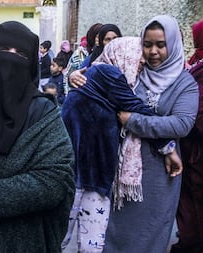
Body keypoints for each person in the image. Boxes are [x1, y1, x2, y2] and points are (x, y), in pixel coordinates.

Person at [0, 21, 75, 253]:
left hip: (21, 241)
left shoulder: (41, 112)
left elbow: (57, 178)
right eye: (3, 50)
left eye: (20, 54)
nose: (10, 59)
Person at [61, 36, 182, 253]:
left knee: (68, 234)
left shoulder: (95, 72)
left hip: (79, 169)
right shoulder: (110, 74)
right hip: (91, 171)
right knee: (87, 238)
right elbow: (136, 107)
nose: (141, 66)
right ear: (125, 54)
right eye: (140, 60)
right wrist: (168, 147)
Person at [103, 15, 198, 253]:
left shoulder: (184, 83)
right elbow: (99, 85)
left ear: (173, 44)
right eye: (147, 44)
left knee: (149, 234)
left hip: (158, 177)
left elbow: (180, 125)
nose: (153, 51)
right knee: (114, 234)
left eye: (161, 44)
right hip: (121, 170)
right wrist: (77, 76)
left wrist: (133, 120)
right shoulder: (132, 70)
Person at [170, 19, 203, 253]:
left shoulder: (195, 66)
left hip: (194, 148)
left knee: (194, 200)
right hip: (189, 145)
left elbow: (196, 110)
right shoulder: (193, 64)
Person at [63, 23, 102, 93]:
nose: (100, 40)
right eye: (97, 36)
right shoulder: (80, 53)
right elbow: (69, 75)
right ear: (92, 37)